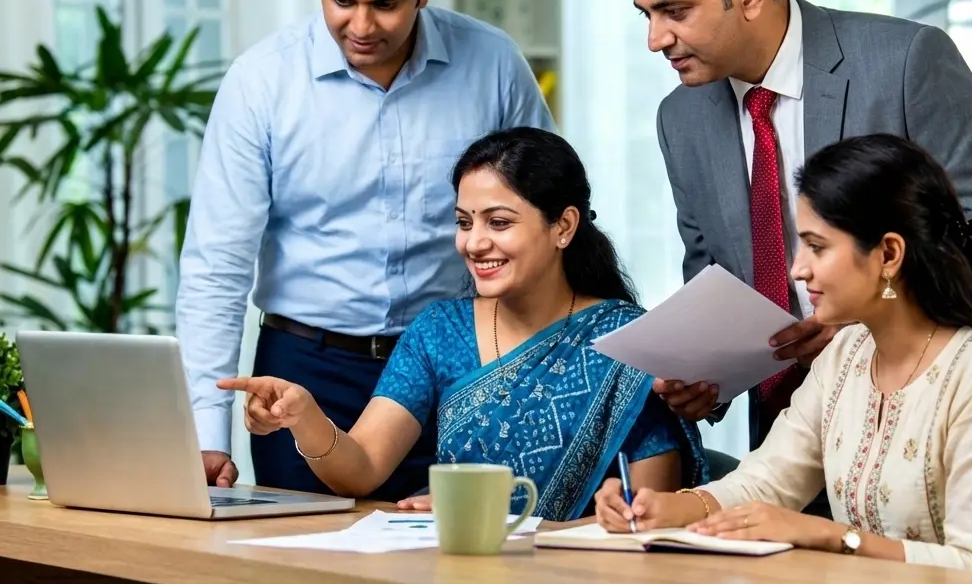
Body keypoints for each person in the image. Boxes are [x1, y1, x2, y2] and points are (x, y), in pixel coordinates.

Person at [614, 0, 972, 453]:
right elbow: (714, 279)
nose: (655, 39)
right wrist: (706, 379)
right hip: (788, 439)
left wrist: (872, 317)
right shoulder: (681, 118)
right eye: (646, 14)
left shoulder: (906, 63)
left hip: (937, 417)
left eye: (675, 11)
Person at [177, 0, 555, 500]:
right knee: (305, 579)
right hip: (304, 373)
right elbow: (217, 267)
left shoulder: (492, 65)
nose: (360, 25)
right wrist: (204, 431)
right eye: (340, 0)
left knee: (463, 572)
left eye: (384, 4)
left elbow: (550, 225)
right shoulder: (262, 82)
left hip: (458, 363)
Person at [595, 134, 972, 576]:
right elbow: (764, 483)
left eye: (817, 247)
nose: (798, 269)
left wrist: (826, 535)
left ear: (888, 254)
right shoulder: (847, 353)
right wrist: (658, 508)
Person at [216, 128, 708, 521]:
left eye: (499, 222)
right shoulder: (440, 331)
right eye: (464, 221)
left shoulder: (628, 343)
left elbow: (647, 516)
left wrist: (492, 519)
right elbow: (361, 470)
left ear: (564, 226)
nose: (474, 243)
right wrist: (305, 418)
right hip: (459, 574)